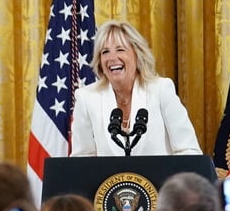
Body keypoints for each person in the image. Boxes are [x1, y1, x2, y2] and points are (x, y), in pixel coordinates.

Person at [70, 20, 202, 156]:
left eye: (120, 49)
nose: (112, 58)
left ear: (137, 54)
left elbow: (189, 151)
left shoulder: (161, 90)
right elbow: (81, 159)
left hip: (159, 177)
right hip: (109, 178)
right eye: (105, 52)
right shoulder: (87, 98)